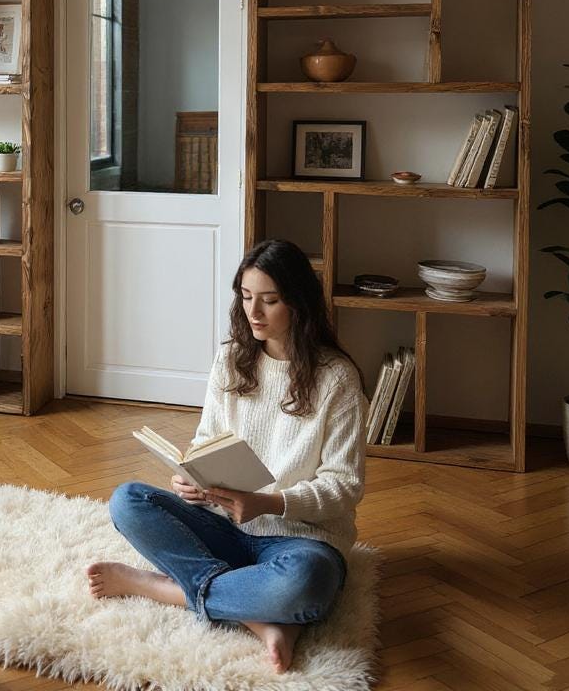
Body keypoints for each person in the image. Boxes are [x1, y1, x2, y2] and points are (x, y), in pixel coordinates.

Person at [87, 239, 366, 674]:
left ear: (299, 303)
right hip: (224, 524)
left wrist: (270, 503)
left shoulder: (337, 379)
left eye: (269, 300)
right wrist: (190, 478)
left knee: (305, 585)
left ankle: (161, 587)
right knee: (128, 501)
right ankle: (261, 616)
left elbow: (345, 486)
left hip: (301, 540)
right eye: (246, 296)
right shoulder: (232, 358)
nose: (254, 312)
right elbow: (207, 440)